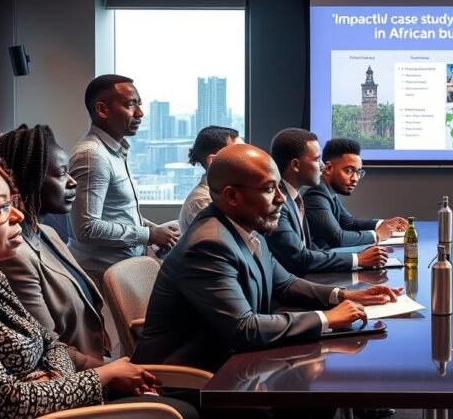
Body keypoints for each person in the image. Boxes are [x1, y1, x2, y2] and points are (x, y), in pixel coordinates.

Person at [0, 146, 196, 419]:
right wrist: (102, 376)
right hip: (62, 410)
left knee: (189, 401)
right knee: (185, 409)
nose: (18, 215)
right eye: (1, 208)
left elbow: (51, 344)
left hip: (64, 403)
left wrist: (51, 380)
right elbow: (7, 402)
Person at [133, 144, 401, 371]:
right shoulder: (209, 245)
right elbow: (244, 328)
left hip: (230, 359)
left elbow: (284, 283)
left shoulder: (248, 226)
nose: (282, 198)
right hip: (191, 375)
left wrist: (344, 296)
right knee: (312, 394)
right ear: (232, 196)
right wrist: (327, 318)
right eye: (269, 189)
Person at [0, 124, 108, 370]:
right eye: (61, 174)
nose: (72, 182)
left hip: (99, 367)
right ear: (28, 180)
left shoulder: (49, 233)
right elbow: (47, 347)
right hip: (77, 383)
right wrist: (109, 371)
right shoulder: (13, 256)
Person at [67, 74, 179, 284]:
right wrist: (148, 234)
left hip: (125, 271)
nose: (140, 113)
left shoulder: (114, 152)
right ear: (102, 110)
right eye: (130, 105)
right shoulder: (92, 156)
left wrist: (155, 230)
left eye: (139, 105)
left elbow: (116, 213)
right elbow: (86, 228)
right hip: (104, 279)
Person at [265, 129, 389, 276]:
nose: (323, 166)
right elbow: (300, 258)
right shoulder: (278, 203)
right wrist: (358, 259)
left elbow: (311, 249)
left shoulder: (295, 198)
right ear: (296, 165)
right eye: (317, 160)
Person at [303, 138, 407, 249]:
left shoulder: (330, 191)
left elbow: (349, 224)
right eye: (349, 171)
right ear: (328, 168)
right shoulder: (316, 195)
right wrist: (376, 235)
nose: (355, 179)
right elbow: (338, 238)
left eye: (358, 172)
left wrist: (384, 223)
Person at [178, 125, 245, 232]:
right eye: (239, 153)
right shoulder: (202, 202)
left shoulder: (228, 193)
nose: (248, 158)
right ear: (213, 161)